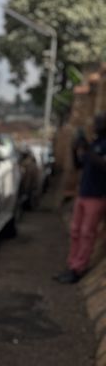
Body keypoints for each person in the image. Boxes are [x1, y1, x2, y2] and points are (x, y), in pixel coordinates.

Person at [55, 112, 106, 284]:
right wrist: (75, 148)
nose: (96, 125)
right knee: (75, 231)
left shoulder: (103, 145)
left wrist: (89, 149)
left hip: (97, 196)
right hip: (83, 194)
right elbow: (80, 165)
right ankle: (72, 265)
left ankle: (79, 268)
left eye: (99, 122)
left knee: (87, 233)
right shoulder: (96, 143)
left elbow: (102, 164)